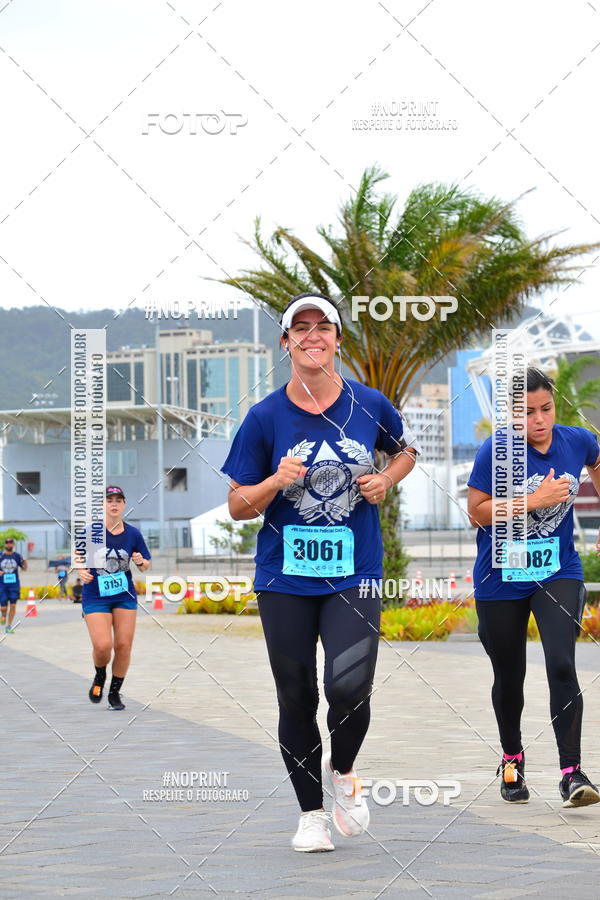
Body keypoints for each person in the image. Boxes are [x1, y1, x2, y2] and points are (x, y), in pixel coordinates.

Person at [221, 293, 419, 851]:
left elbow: (404, 452)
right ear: (285, 343)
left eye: (323, 327)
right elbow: (238, 504)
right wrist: (274, 482)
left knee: (349, 686)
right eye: (299, 328)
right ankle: (311, 814)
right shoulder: (264, 417)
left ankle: (344, 772)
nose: (312, 336)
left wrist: (387, 479)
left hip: (355, 573)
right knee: (297, 695)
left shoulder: (370, 403)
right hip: (284, 579)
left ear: (337, 339)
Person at [467, 366, 600, 808]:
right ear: (511, 413)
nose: (539, 420)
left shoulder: (575, 440)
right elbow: (477, 513)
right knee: (510, 676)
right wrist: (534, 500)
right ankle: (511, 759)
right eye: (527, 413)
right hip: (500, 577)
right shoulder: (496, 450)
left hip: (556, 570)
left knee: (562, 662)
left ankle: (572, 773)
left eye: (546, 409)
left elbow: (596, 461)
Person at [78, 486, 151, 710]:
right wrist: (80, 569)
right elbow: (77, 555)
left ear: (124, 505)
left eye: (118, 500)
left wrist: (140, 561)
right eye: (109, 500)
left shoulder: (133, 534)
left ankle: (115, 693)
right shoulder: (91, 532)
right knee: (103, 646)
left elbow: (146, 565)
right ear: (103, 505)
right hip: (95, 596)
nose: (114, 503)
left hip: (124, 595)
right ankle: (100, 675)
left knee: (123, 645)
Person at [0, 537, 27, 633]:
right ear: (5, 544)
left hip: (14, 585)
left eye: (11, 543)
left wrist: (25, 562)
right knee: (3, 607)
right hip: (2, 585)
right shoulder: (1, 556)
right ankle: (3, 615)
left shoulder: (17, 556)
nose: (9, 544)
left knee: (13, 606)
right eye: (7, 543)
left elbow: (24, 569)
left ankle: (9, 626)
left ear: (13, 544)